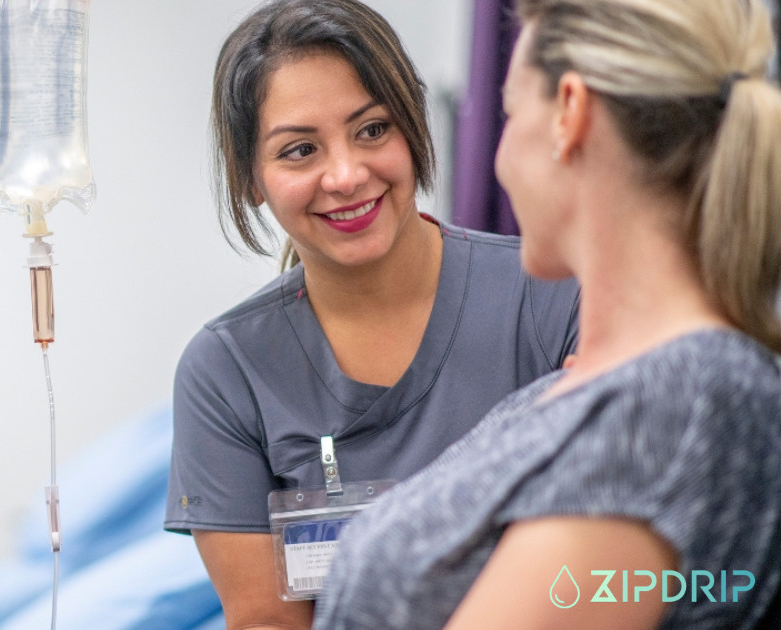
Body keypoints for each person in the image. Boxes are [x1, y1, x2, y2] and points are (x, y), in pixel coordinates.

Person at [313, 0, 781, 628]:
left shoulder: (679, 401)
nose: (502, 159)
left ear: (569, 112)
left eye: (508, 113)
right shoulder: (577, 393)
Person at [164, 1, 580, 628]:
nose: (346, 175)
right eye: (300, 150)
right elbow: (269, 622)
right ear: (252, 176)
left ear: (412, 125)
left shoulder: (553, 295)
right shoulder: (226, 371)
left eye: (372, 129)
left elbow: (613, 572)